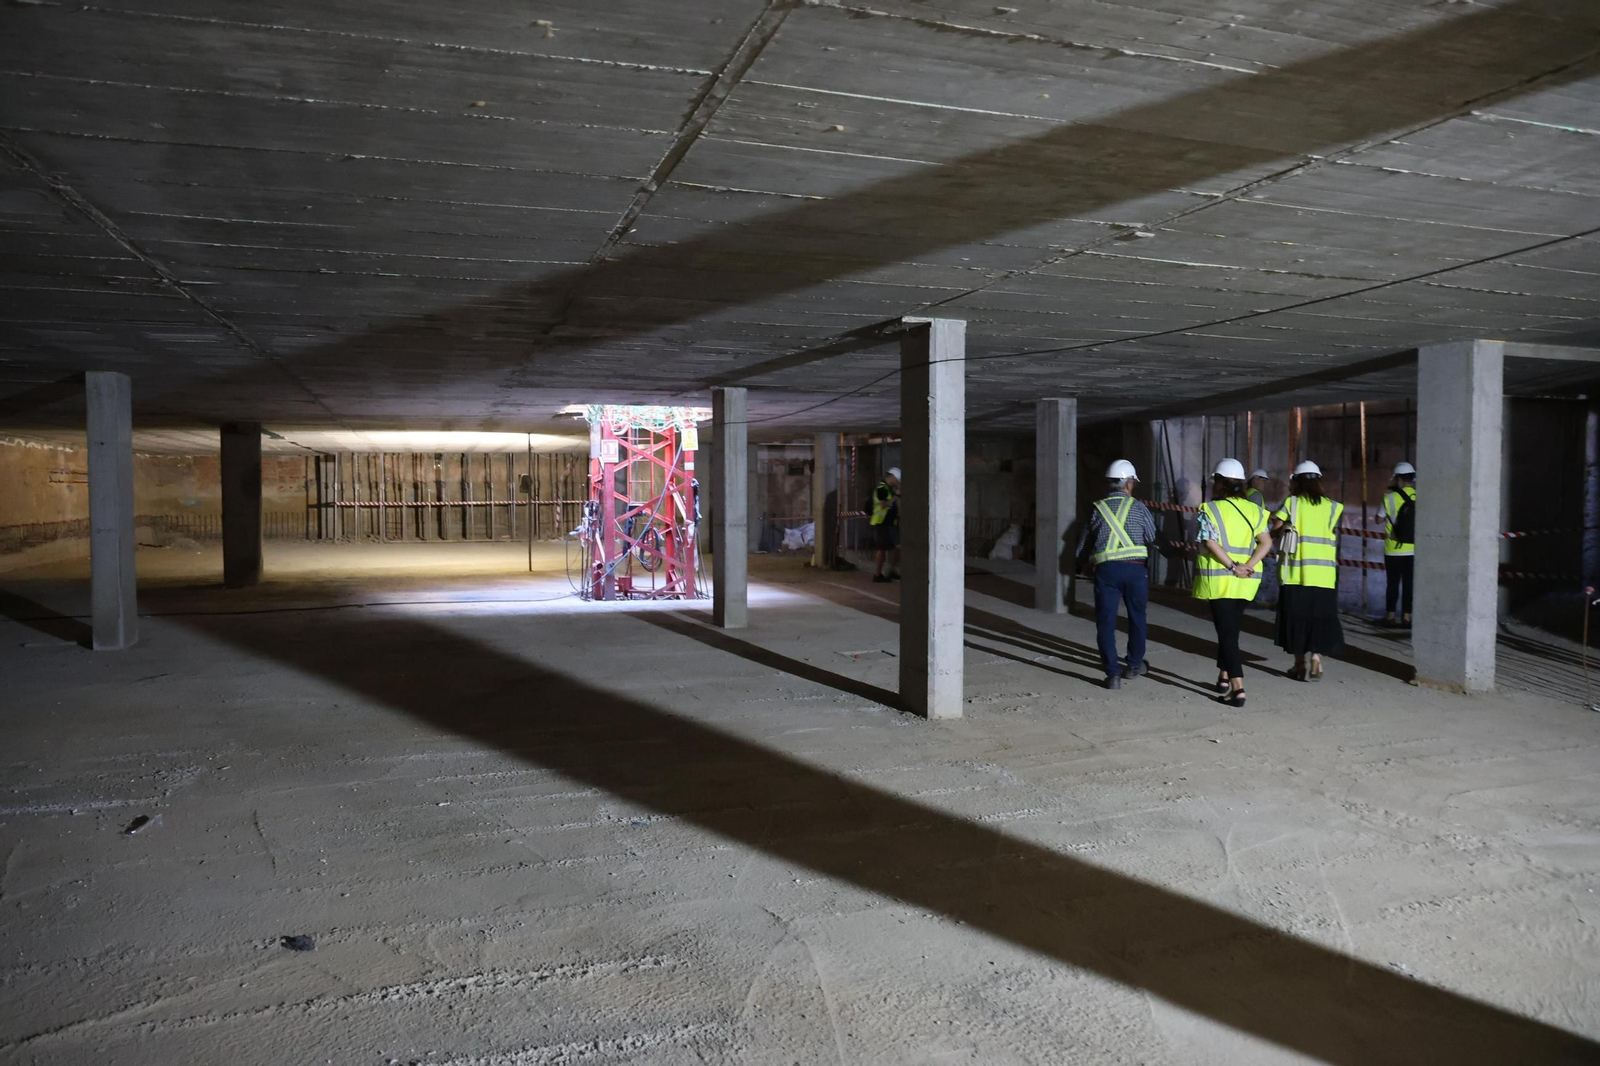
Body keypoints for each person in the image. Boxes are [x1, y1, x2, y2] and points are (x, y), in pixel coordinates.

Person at [1193, 458, 1274, 707]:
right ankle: (1223, 677)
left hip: (1221, 580)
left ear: (1218, 482)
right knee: (1230, 630)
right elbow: (1267, 542)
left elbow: (1209, 542)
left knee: (1227, 635)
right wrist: (1248, 566)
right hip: (1247, 582)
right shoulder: (1255, 510)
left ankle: (1238, 689)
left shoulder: (1210, 509)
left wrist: (1233, 566)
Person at [1075, 459, 1158, 690]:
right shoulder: (1139, 507)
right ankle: (1133, 665)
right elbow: (1152, 537)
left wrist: (1080, 564)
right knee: (1137, 618)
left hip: (1107, 571)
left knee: (1106, 621)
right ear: (1129, 483)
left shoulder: (1097, 508)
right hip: (1135, 570)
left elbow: (1082, 547)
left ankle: (1112, 674)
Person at [1270, 460, 1345, 681]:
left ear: (1296, 481)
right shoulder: (1333, 506)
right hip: (1324, 575)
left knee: (1297, 620)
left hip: (1295, 573)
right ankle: (1317, 658)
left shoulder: (1292, 503)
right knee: (1319, 618)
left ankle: (1299, 664)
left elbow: (1276, 529)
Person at [1381, 461, 1417, 627]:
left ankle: (1390, 616)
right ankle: (1407, 617)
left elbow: (1378, 519)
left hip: (1393, 549)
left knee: (1393, 583)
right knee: (1409, 584)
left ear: (1399, 479)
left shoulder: (1389, 498)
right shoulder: (1419, 497)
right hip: (1413, 549)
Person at [870, 466, 901, 583]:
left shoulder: (888, 489)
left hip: (890, 523)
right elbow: (884, 504)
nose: (897, 483)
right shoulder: (881, 488)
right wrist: (895, 496)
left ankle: (891, 570)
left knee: (895, 547)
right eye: (897, 480)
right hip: (880, 522)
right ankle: (877, 574)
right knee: (882, 548)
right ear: (892, 477)